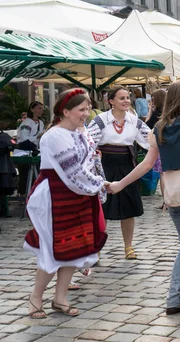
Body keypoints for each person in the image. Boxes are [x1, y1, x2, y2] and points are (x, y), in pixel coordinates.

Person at [107, 81, 180, 316]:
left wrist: (120, 184)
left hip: (172, 198)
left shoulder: (159, 128)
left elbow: (147, 164)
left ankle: (173, 300)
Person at [25, 88, 107, 319]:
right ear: (66, 111)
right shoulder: (54, 135)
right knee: (51, 248)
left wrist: (96, 182)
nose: (86, 113)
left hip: (78, 195)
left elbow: (88, 164)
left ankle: (60, 298)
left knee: (74, 247)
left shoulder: (81, 131)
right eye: (82, 109)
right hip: (55, 194)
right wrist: (100, 184)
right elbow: (73, 172)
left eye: (88, 108)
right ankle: (36, 297)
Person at [87, 85, 151, 260]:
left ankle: (128, 246)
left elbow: (150, 139)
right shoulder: (101, 120)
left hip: (126, 166)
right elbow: (88, 141)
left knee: (128, 207)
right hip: (104, 166)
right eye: (122, 98)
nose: (126, 101)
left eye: (128, 98)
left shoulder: (134, 121)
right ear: (111, 101)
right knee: (102, 207)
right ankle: (96, 248)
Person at [15, 101, 45, 195]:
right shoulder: (26, 123)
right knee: (25, 175)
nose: (41, 110)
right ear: (32, 109)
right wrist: (37, 136)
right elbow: (24, 138)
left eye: (42, 108)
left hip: (36, 152)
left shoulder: (41, 123)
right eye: (39, 108)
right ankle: (23, 194)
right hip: (24, 152)